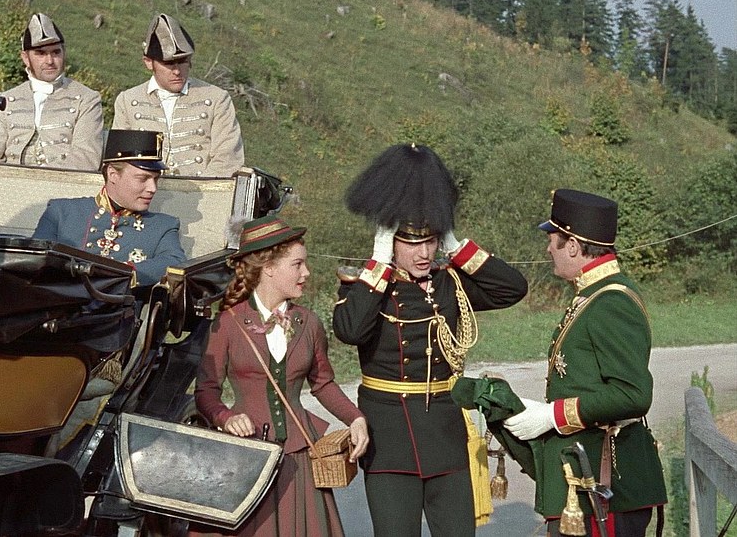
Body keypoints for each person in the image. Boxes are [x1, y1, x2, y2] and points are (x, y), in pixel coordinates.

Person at [332, 143, 528, 537]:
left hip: (445, 432)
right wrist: (379, 261)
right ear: (392, 240)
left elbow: (512, 288)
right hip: (389, 439)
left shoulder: (448, 283)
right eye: (411, 243)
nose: (424, 253)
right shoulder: (368, 286)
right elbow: (349, 330)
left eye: (432, 241)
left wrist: (457, 246)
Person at [502, 189, 667, 537]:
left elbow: (634, 395)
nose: (548, 249)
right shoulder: (592, 293)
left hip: (607, 486)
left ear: (574, 245)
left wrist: (552, 415)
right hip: (586, 479)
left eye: (552, 239)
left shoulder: (610, 302)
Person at [191, 215, 369, 537]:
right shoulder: (228, 323)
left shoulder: (309, 323)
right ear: (268, 268)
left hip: (299, 459)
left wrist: (355, 418)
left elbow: (323, 384)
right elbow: (206, 390)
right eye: (297, 264)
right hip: (246, 458)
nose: (306, 273)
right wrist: (226, 417)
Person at [32, 129, 187, 287]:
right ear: (113, 174)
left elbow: (174, 262)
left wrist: (124, 273)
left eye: (156, 179)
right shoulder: (61, 212)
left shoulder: (163, 226)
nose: (152, 188)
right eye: (143, 179)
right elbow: (35, 261)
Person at [112, 13, 244, 177]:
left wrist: (202, 189)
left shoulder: (217, 98)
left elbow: (227, 158)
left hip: (203, 188)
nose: (177, 71)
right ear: (148, 62)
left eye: (182, 61)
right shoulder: (128, 100)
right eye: (168, 63)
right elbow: (120, 163)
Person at [0, 13, 104, 171]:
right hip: (10, 181)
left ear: (64, 52)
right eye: (40, 53)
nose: (50, 61)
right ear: (26, 58)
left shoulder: (87, 99)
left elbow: (86, 159)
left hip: (64, 181)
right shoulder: (6, 99)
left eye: (56, 52)